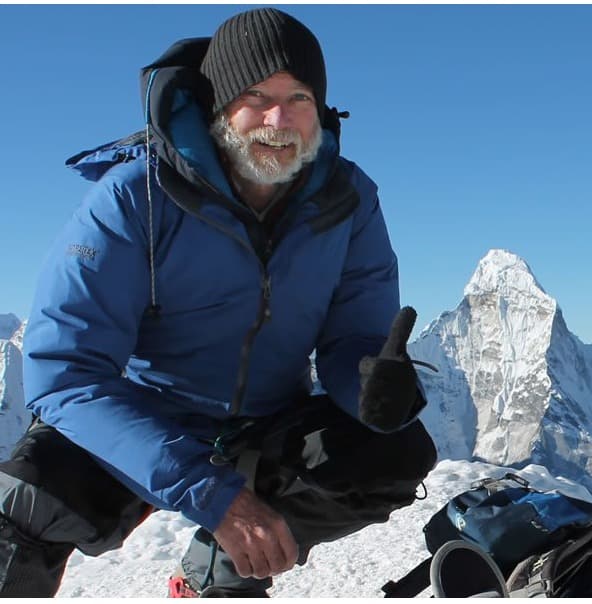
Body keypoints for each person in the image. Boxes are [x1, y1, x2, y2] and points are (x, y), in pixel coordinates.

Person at [0, 7, 437, 597]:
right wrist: (214, 496)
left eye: (299, 97)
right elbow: (65, 371)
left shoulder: (348, 201)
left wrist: (368, 387)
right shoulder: (136, 198)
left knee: (393, 454)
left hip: (266, 422)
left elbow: (353, 339)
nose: (278, 119)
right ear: (217, 107)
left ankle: (219, 577)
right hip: (147, 417)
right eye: (256, 96)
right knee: (23, 504)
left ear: (322, 110)